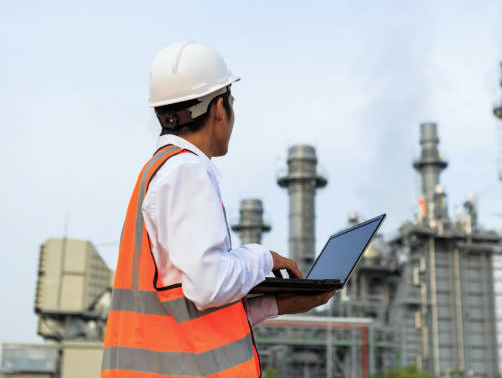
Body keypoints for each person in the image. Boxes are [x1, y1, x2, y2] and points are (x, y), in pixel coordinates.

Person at [101, 42, 334, 378]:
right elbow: (208, 286)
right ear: (220, 109)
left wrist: (277, 304)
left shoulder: (158, 172)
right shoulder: (187, 172)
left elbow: (188, 310)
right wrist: (263, 258)